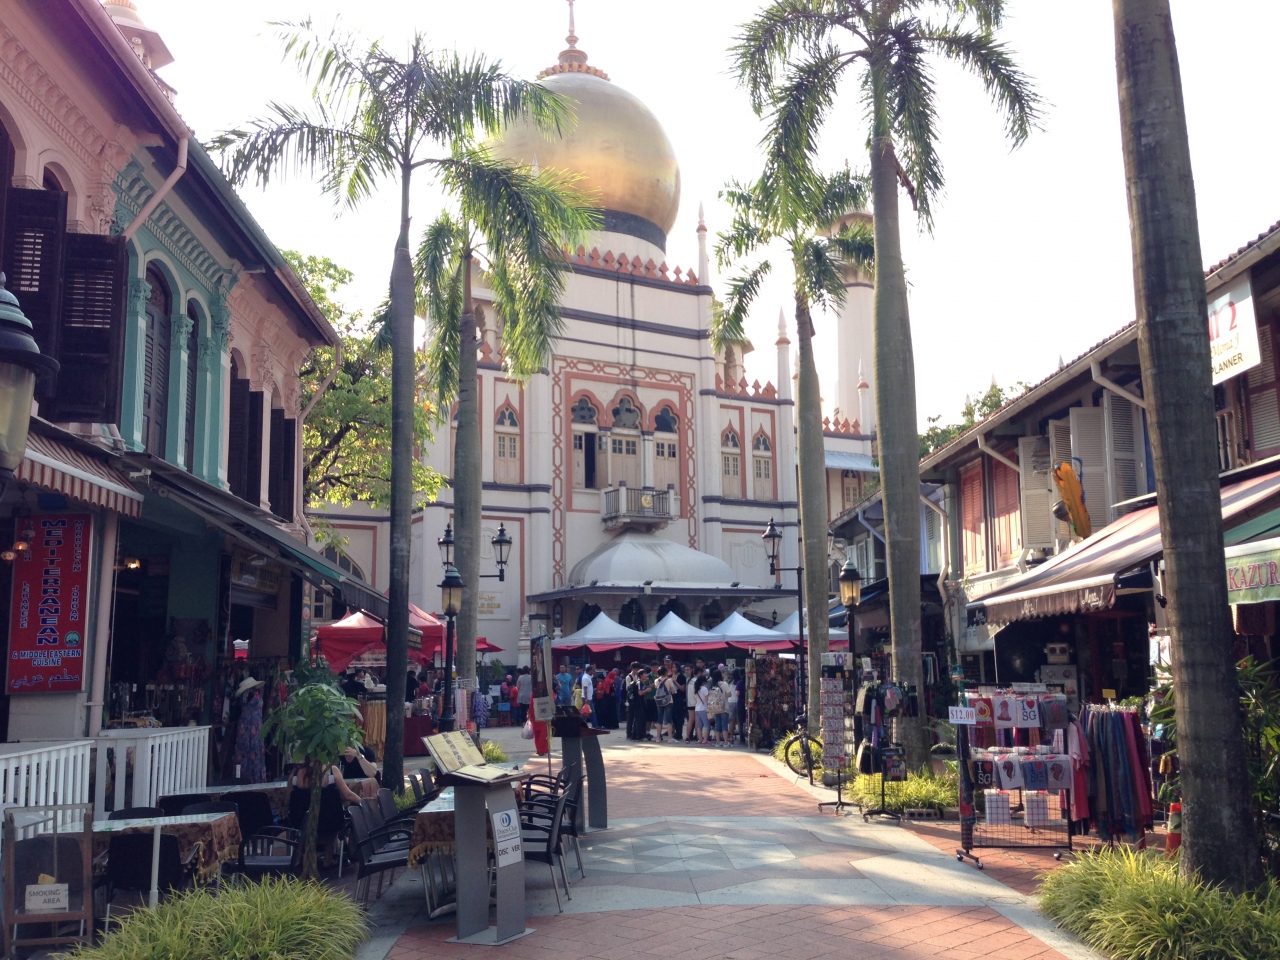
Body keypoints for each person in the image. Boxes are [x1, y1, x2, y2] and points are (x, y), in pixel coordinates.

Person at [287, 762, 363, 868]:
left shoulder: (295, 774)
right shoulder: (332, 771)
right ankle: (328, 857)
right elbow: (348, 795)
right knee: (333, 816)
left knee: (310, 820)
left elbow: (288, 799)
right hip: (330, 822)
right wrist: (364, 804)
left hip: (302, 822)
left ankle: (307, 856)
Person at [709, 669, 732, 747]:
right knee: (724, 725)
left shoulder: (712, 685)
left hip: (715, 708)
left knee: (717, 726)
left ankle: (718, 742)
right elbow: (729, 694)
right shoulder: (724, 684)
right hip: (724, 708)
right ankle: (726, 742)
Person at [625, 663, 646, 741]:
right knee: (631, 717)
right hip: (632, 700)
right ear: (633, 669)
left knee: (636, 717)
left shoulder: (637, 678)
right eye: (636, 669)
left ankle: (634, 733)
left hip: (636, 700)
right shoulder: (628, 677)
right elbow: (628, 688)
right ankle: (629, 733)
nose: (637, 671)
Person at [693, 675, 711, 745]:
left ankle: (700, 739)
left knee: (699, 725)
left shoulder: (696, 689)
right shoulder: (704, 689)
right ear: (703, 682)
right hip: (703, 708)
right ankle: (705, 740)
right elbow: (707, 699)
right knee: (706, 725)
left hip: (697, 708)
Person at [684, 664, 698, 742]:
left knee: (691, 720)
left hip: (691, 702)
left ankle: (688, 736)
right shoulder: (692, 680)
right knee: (695, 720)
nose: (686, 671)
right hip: (694, 702)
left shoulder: (690, 680)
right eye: (685, 670)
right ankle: (697, 736)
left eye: (688, 669)